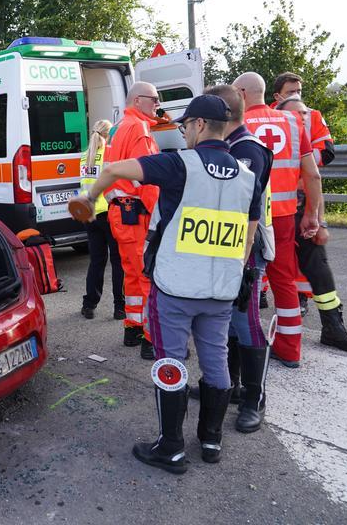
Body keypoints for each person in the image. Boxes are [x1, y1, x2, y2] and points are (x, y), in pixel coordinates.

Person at [76, 94, 261, 473]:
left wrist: (88, 197)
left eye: (184, 126)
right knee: (216, 362)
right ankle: (211, 439)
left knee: (170, 363)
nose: (183, 133)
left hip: (175, 287)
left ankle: (171, 448)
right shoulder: (247, 178)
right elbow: (247, 240)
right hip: (222, 291)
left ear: (196, 125)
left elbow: (112, 171)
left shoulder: (179, 165)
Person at [234, 72, 322, 368]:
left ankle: (248, 344)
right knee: (284, 281)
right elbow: (312, 173)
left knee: (245, 280)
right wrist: (312, 213)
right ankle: (290, 348)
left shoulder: (238, 125)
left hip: (247, 218)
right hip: (284, 216)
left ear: (242, 94)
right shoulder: (294, 121)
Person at [207, 85, 275, 433]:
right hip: (225, 250)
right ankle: (230, 386)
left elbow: (237, 203)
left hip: (243, 252)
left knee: (246, 323)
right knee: (228, 322)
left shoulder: (246, 150)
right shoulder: (233, 147)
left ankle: (254, 398)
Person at [276, 95, 347, 353]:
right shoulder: (277, 141)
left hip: (303, 214)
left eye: (304, 113)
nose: (303, 117)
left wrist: (319, 221)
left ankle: (334, 328)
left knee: (319, 268)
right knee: (276, 278)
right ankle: (265, 337)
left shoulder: (303, 146)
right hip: (276, 218)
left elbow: (315, 183)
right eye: (296, 113)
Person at [102, 82, 161, 359]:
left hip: (119, 211)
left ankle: (133, 328)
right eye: (155, 100)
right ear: (138, 100)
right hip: (137, 213)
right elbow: (147, 176)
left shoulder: (117, 127)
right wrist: (158, 214)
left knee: (132, 274)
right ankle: (151, 340)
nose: (158, 105)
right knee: (147, 275)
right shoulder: (139, 128)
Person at [79, 119, 125, 320]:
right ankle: (119, 307)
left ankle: (89, 305)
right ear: (109, 135)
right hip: (109, 213)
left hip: (89, 214)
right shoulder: (109, 155)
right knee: (117, 261)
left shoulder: (84, 157)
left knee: (96, 261)